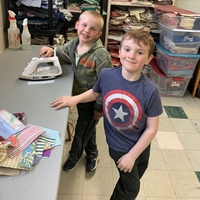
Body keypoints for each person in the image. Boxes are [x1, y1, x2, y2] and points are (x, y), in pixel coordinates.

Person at [51, 30, 163, 200]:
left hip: (141, 144)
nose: (131, 55)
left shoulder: (151, 91)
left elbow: (152, 128)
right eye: (127, 49)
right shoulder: (107, 75)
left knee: (136, 174)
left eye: (139, 52)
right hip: (119, 146)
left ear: (148, 59)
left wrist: (133, 155)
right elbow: (95, 93)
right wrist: (75, 99)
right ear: (119, 51)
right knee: (131, 188)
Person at [40, 10, 113, 173]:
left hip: (93, 101)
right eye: (84, 25)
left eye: (93, 29)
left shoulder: (101, 55)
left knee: (82, 130)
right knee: (88, 128)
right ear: (77, 25)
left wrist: (99, 109)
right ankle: (93, 153)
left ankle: (74, 156)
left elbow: (108, 86)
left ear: (99, 34)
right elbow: (62, 52)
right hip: (79, 96)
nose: (87, 30)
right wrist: (52, 49)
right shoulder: (75, 44)